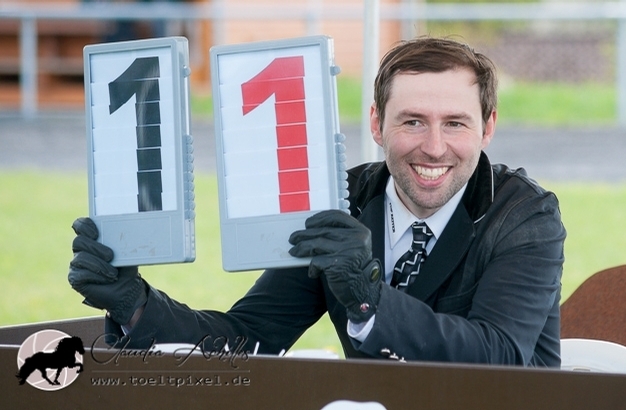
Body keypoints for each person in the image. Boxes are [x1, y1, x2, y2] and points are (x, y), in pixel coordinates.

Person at [68, 36, 566, 366]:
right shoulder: (337, 203)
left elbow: (499, 357)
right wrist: (134, 306)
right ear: (376, 123)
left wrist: (369, 296)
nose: (434, 146)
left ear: (488, 127)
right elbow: (250, 337)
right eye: (412, 121)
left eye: (455, 123)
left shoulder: (526, 215)